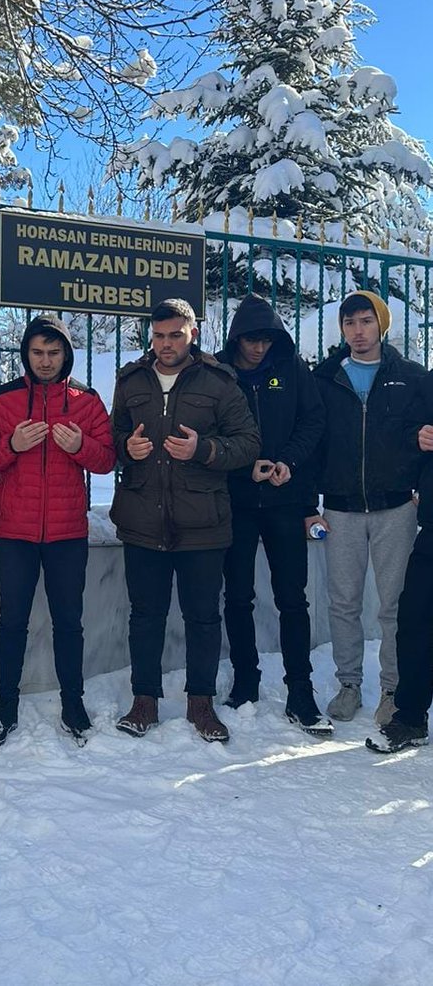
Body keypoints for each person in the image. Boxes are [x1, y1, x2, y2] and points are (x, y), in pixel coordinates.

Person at [110, 298, 260, 743]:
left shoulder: (218, 382)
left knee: (202, 617)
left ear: (193, 333)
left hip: (203, 521)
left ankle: (201, 704)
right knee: (145, 615)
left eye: (175, 334)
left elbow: (248, 442)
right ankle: (144, 701)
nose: (166, 344)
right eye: (158, 336)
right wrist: (125, 449)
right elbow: (112, 436)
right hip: (142, 518)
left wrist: (204, 450)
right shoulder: (131, 379)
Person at [0, 314, 115, 746]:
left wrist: (80, 447)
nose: (46, 361)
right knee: (11, 620)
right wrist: (11, 446)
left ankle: (74, 702)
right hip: (14, 531)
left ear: (66, 353)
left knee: (69, 620)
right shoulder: (3, 399)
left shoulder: (87, 401)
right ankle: (6, 703)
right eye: (38, 352)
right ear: (26, 354)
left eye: (53, 353)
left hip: (68, 532)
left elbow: (107, 460)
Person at [214, 295, 330, 735]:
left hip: (286, 499)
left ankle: (300, 688)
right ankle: (246, 679)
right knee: (238, 596)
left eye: (265, 340)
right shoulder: (221, 373)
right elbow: (212, 432)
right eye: (249, 340)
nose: (257, 349)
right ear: (236, 338)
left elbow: (313, 421)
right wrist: (247, 466)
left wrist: (289, 463)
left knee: (292, 599)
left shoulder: (293, 369)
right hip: (238, 501)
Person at [312, 290, 425, 725]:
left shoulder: (410, 377)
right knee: (343, 602)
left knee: (394, 604)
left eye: (365, 321)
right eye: (349, 323)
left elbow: (423, 435)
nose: (357, 332)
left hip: (396, 507)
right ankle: (349, 683)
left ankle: (393, 690)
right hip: (340, 509)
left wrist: (420, 486)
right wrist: (311, 503)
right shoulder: (325, 378)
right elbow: (311, 441)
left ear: (381, 325)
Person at [367, 378, 433, 755]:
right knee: (414, 618)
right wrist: (417, 438)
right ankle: (409, 718)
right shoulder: (429, 383)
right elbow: (403, 433)